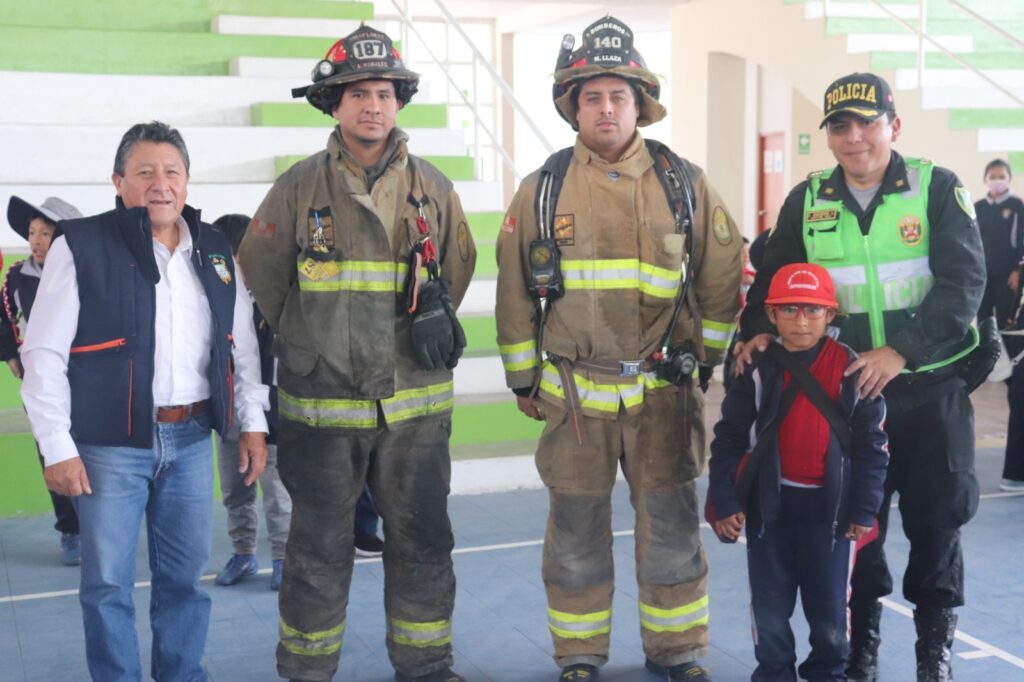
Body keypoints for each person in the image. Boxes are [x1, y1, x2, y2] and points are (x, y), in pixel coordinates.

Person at [495, 16, 742, 681]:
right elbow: (515, 288)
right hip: (575, 398)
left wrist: (706, 365)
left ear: (640, 104)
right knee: (574, 530)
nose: (606, 108)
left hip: (664, 395)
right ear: (574, 107)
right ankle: (579, 653)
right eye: (592, 97)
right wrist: (526, 381)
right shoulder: (542, 189)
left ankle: (679, 649)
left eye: (618, 96)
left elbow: (721, 276)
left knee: (672, 527)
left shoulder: (683, 183)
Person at [239, 24, 475, 682]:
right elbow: (261, 273)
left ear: (399, 101)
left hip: (416, 410)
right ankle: (307, 671)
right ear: (332, 104)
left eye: (384, 92)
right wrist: (307, 336)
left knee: (423, 540)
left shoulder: (435, 189)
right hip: (322, 409)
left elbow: (456, 267)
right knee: (317, 548)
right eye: (356, 93)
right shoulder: (296, 190)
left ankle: (426, 666)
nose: (372, 105)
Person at [734, 73, 986, 682]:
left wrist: (899, 350)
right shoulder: (808, 198)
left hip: (929, 391)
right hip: (840, 399)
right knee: (854, 526)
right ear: (829, 137)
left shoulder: (935, 187)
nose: (854, 138)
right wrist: (754, 330)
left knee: (937, 523)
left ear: (892, 127)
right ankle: (861, 654)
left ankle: (934, 658)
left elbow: (964, 286)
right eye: (840, 127)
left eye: (867, 123)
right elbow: (771, 278)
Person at [20, 121, 270, 681]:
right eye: (145, 172)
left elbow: (241, 345)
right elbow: (42, 355)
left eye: (172, 172)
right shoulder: (80, 245)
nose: (161, 183)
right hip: (108, 445)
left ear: (187, 180)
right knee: (107, 583)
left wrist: (253, 424)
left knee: (184, 581)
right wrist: (57, 447)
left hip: (189, 440)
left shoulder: (213, 248)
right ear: (119, 181)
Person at [708, 263, 888, 682]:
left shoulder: (853, 369)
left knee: (828, 610)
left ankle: (827, 673)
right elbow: (728, 439)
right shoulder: (755, 366)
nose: (801, 320)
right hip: (770, 508)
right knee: (769, 606)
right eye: (788, 310)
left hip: (832, 514)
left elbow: (873, 449)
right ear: (770, 315)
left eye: (812, 310)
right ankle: (773, 673)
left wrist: (864, 510)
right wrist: (726, 499)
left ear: (831, 314)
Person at [206, 213, 292, 591]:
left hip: (272, 418)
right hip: (230, 415)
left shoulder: (275, 303)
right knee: (235, 490)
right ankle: (243, 554)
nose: (224, 267)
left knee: (277, 493)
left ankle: (284, 557)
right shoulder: (214, 303)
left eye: (231, 257)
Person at [2, 196, 84, 565]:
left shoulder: (84, 271)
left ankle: (97, 526)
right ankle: (70, 529)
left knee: (90, 453)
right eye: (32, 232)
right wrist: (11, 354)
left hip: (83, 380)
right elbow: (5, 321)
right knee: (52, 452)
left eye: (46, 233)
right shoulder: (16, 277)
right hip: (42, 384)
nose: (36, 240)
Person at [975, 159, 1024, 328]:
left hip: (1008, 275)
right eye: (993, 176)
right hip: (982, 274)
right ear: (985, 179)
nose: (997, 180)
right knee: (983, 318)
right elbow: (972, 241)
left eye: (1002, 176)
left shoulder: (1017, 205)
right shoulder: (978, 207)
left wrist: (1018, 270)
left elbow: (1021, 240)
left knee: (1006, 319)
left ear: (1009, 178)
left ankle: (1006, 355)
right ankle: (985, 353)